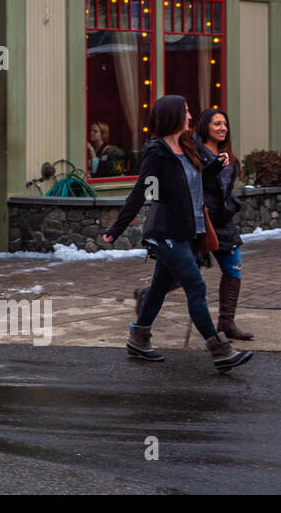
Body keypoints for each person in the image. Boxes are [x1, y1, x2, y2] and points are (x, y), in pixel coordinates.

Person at [102, 94, 253, 372]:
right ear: (173, 115)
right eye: (185, 112)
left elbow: (194, 183)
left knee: (159, 288)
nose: (190, 117)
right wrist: (117, 228)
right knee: (196, 286)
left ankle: (139, 338)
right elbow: (141, 192)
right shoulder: (158, 153)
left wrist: (214, 168)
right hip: (166, 232)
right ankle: (220, 350)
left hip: (187, 229)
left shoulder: (186, 146)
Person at [196, 108, 251, 340]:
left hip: (223, 220)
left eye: (225, 124)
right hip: (202, 220)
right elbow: (196, 185)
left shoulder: (229, 157)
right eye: (217, 123)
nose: (222, 128)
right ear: (205, 127)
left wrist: (232, 205)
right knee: (183, 274)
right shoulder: (196, 155)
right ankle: (147, 296)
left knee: (234, 266)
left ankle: (226, 322)